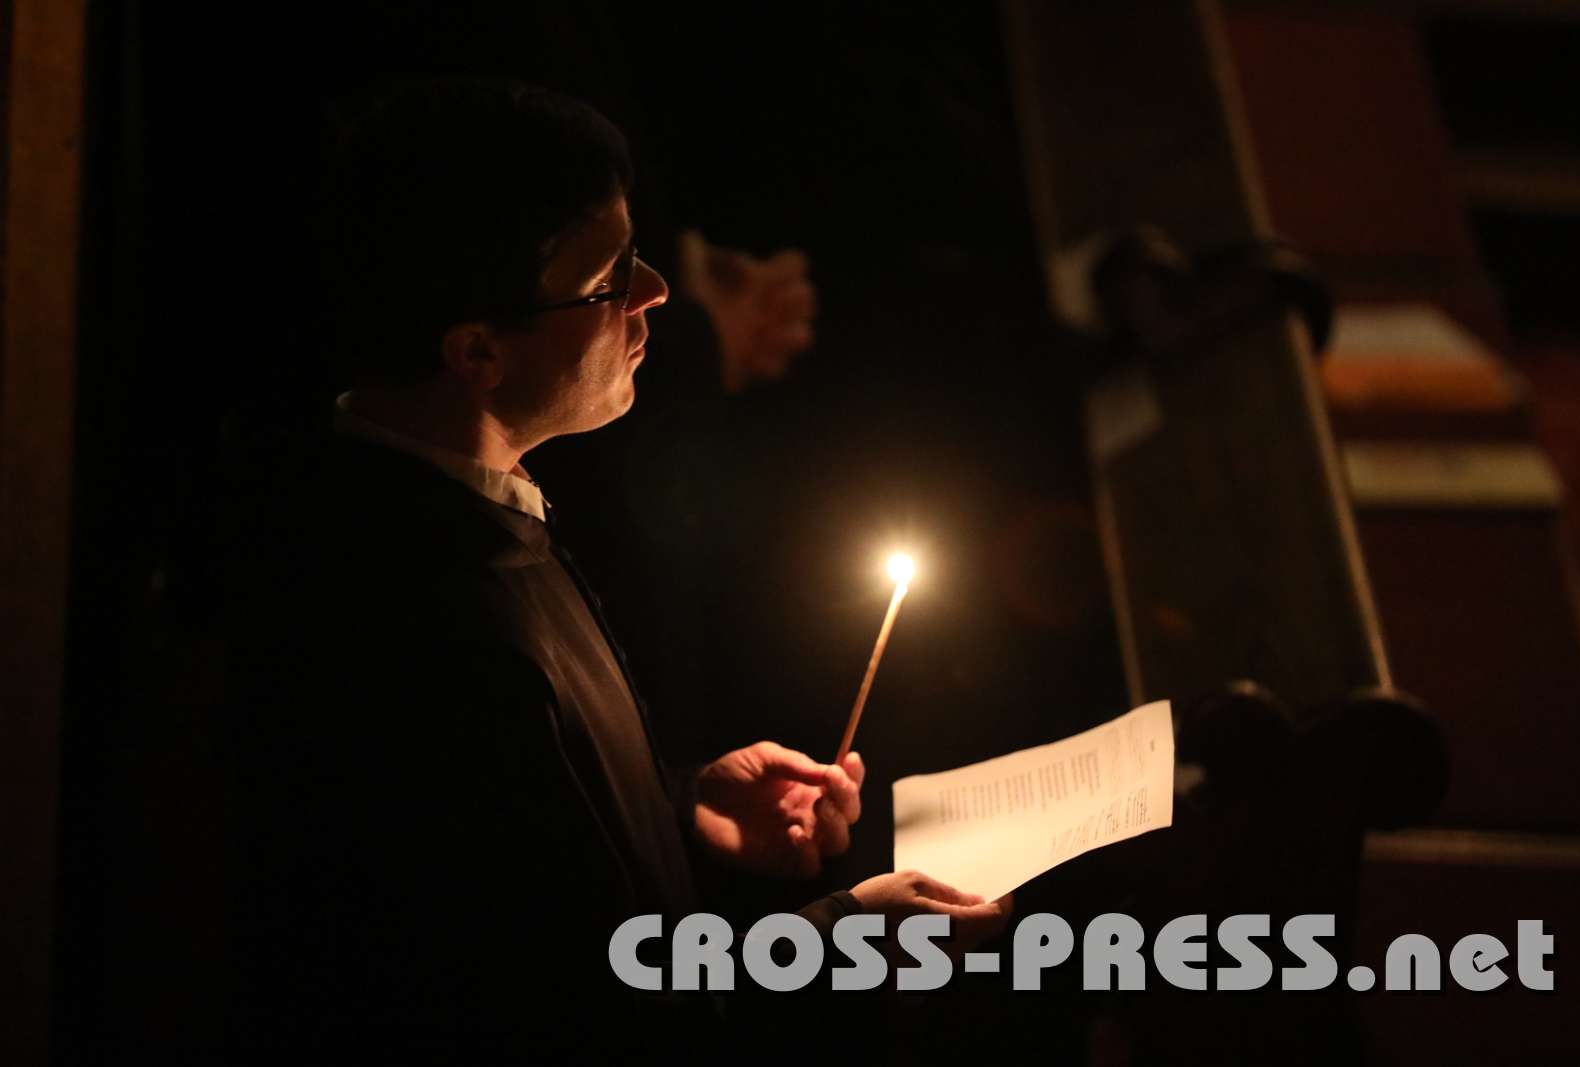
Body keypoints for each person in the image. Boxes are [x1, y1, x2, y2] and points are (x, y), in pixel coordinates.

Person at [219, 79, 1008, 1063]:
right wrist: (843, 938)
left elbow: (545, 846)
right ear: (478, 351)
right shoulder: (424, 624)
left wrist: (681, 812)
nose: (657, 293)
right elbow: (584, 1006)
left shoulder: (444, 502)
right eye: (611, 279)